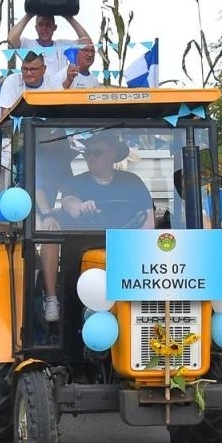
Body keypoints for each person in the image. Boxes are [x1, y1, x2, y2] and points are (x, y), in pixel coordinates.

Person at [35, 133, 153, 321]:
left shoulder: (132, 182)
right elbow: (69, 203)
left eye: (96, 153)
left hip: (127, 249)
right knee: (50, 229)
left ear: (112, 155)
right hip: (83, 247)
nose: (90, 158)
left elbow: (148, 220)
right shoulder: (76, 183)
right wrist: (81, 207)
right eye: (87, 154)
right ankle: (51, 297)